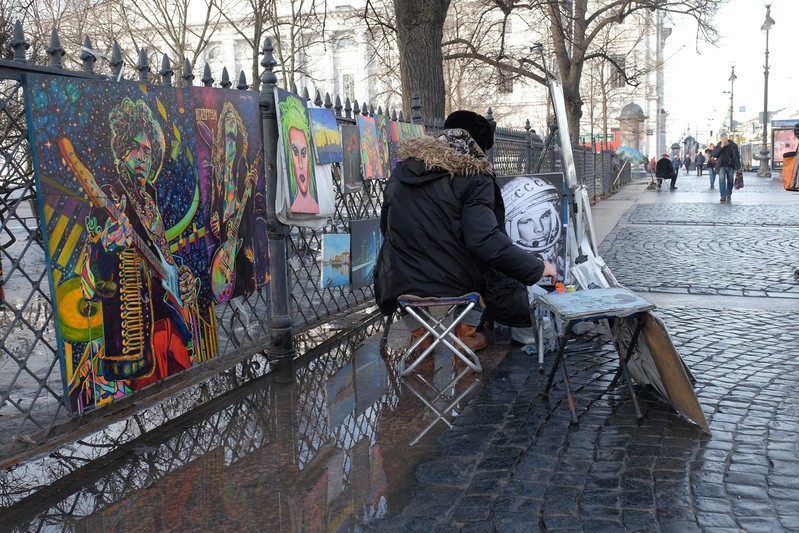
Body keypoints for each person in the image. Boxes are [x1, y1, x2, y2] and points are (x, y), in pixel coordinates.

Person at [374, 110, 557, 352]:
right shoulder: (473, 176)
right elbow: (484, 241)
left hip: (397, 280)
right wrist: (537, 268)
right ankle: (466, 333)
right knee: (485, 269)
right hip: (455, 284)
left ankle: (421, 335)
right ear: (477, 147)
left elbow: (386, 228)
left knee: (415, 270)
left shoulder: (401, 173)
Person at [78, 97, 198, 390]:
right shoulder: (109, 197)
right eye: (135, 147)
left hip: (171, 326)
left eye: (148, 150)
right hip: (136, 339)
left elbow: (163, 257)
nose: (142, 157)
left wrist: (182, 276)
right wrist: (106, 246)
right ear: (120, 149)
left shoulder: (150, 199)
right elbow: (89, 284)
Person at [712, 133, 741, 202]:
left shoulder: (733, 145)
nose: (723, 140)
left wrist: (738, 166)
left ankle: (728, 194)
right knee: (722, 180)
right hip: (721, 166)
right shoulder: (719, 145)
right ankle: (723, 195)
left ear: (727, 138)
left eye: (724, 139)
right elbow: (714, 154)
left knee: (730, 181)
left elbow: (737, 156)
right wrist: (721, 147)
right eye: (722, 139)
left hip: (730, 166)